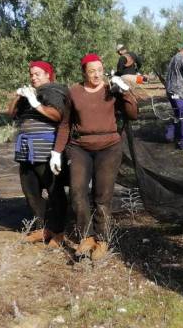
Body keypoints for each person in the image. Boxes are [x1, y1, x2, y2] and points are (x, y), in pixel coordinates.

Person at [51, 53, 138, 260]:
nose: (97, 75)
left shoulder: (112, 89)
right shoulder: (73, 92)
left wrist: (125, 92)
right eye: (92, 71)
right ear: (84, 72)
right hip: (80, 147)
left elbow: (133, 114)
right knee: (78, 192)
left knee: (102, 197)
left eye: (99, 70)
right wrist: (56, 151)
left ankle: (103, 239)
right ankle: (86, 235)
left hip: (109, 147)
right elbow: (65, 124)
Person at [8, 61, 69, 248]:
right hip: (26, 151)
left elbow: (58, 115)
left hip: (46, 149)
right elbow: (10, 114)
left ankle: (59, 231)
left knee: (54, 191)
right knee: (31, 191)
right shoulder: (29, 95)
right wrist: (18, 97)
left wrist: (35, 103)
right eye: (32, 74)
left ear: (48, 75)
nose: (34, 77)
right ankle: (42, 227)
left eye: (38, 74)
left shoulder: (54, 91)